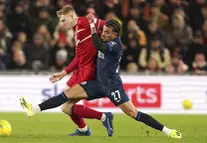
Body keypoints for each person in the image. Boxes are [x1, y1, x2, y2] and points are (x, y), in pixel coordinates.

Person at [20, 19, 182, 139]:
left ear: (115, 35)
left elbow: (100, 46)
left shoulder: (115, 45)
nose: (103, 34)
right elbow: (85, 52)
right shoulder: (103, 37)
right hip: (97, 83)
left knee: (132, 112)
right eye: (103, 31)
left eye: (107, 33)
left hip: (112, 86)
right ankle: (34, 109)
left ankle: (168, 131)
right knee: (66, 98)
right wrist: (65, 72)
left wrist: (92, 27)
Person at [48, 5, 113, 136]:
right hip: (80, 69)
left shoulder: (84, 22)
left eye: (63, 20)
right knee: (66, 105)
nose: (61, 24)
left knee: (66, 106)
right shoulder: (76, 30)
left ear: (72, 16)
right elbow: (79, 57)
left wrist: (96, 22)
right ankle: (85, 129)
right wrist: (64, 72)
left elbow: (110, 26)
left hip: (89, 70)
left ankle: (103, 117)